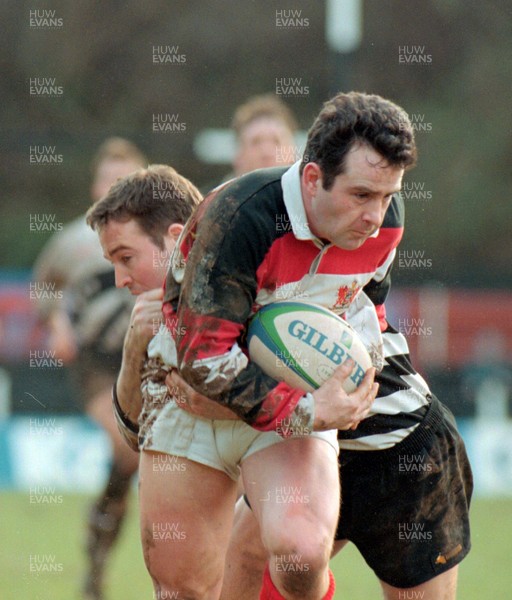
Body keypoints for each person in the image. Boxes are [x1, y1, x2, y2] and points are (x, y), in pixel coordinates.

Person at [168, 92, 474, 600]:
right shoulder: (241, 220)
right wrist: (306, 410)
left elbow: (368, 310)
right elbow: (202, 356)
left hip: (403, 455)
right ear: (312, 178)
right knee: (252, 560)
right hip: (303, 437)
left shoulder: (386, 220)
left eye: (386, 194)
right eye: (361, 195)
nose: (377, 215)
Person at [90, 103, 384, 598]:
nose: (120, 278)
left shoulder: (266, 251)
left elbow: (358, 333)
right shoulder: (150, 313)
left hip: (279, 425)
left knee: (298, 555)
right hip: (193, 437)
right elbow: (134, 431)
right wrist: (133, 352)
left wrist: (317, 405)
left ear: (176, 239)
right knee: (178, 586)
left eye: (126, 259)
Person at [32, 137, 147, 600]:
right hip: (97, 367)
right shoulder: (73, 241)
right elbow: (44, 286)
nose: (116, 187)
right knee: (128, 445)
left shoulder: (160, 239)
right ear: (95, 186)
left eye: (126, 179)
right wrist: (57, 322)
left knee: (131, 455)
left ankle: (100, 534)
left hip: (149, 365)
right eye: (108, 179)